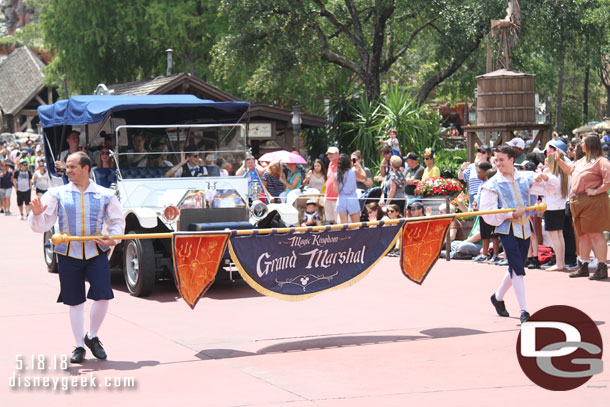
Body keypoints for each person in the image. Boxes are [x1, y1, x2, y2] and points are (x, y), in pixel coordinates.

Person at [29, 151, 125, 363]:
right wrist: (37, 214)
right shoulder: (57, 194)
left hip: (95, 252)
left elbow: (118, 222)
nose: (68, 170)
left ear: (86, 168)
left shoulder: (106, 194)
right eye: (67, 167)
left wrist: (113, 238)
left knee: (103, 296)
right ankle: (79, 346)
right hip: (68, 254)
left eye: (72, 167)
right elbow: (42, 225)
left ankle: (92, 336)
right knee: (75, 301)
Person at [480, 145, 555, 324]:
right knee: (518, 269)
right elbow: (487, 212)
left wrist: (544, 177)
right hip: (507, 229)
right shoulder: (492, 185)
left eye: (501, 160)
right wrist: (510, 214)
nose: (497, 164)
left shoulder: (525, 178)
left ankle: (497, 297)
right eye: (495, 160)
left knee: (516, 267)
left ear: (512, 160)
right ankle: (524, 311)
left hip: (525, 228)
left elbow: (551, 188)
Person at [555, 135, 610, 280]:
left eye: (583, 142)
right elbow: (570, 171)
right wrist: (559, 161)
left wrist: (596, 190)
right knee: (583, 235)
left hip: (593, 201)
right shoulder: (580, 161)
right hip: (578, 201)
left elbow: (608, 181)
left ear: (590, 145)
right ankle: (583, 266)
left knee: (595, 234)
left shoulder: (601, 162)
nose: (580, 144)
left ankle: (602, 267)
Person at [537, 140, 571, 271]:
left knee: (555, 236)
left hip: (551, 207)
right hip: (560, 206)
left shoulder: (551, 176)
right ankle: (561, 262)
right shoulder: (564, 176)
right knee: (559, 235)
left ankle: (559, 262)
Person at [472, 161, 501, 263]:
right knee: (485, 235)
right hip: (482, 213)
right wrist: (476, 205)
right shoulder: (481, 185)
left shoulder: (493, 185)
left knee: (494, 235)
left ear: (486, 172)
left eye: (479, 172)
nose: (477, 174)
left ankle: (496, 255)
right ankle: (484, 254)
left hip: (491, 214)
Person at [333, 153, 366, 224]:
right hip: (352, 199)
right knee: (356, 225)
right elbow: (364, 176)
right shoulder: (353, 171)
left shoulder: (336, 175)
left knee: (344, 226)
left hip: (341, 199)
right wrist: (359, 166)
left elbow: (335, 191)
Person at [324, 147, 340, 223]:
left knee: (337, 219)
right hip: (328, 196)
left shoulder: (340, 164)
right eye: (328, 154)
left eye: (332, 154)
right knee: (331, 219)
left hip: (336, 197)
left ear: (337, 154)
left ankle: (337, 234)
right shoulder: (330, 164)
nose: (330, 155)